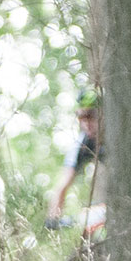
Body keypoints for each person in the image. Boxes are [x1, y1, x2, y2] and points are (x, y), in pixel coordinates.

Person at [43, 100, 103, 233]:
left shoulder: (119, 132)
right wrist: (53, 218)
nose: (87, 124)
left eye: (91, 116)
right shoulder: (82, 144)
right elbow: (63, 183)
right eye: (82, 118)